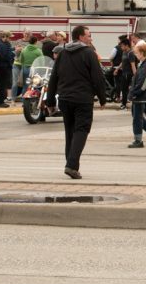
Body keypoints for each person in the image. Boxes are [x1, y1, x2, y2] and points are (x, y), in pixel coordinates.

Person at [46, 25, 108, 180]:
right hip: (82, 99)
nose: (90, 38)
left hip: (65, 99)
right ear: (80, 37)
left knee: (70, 132)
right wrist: (102, 98)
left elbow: (54, 77)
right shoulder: (89, 53)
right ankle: (72, 165)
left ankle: (70, 163)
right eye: (88, 35)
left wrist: (50, 100)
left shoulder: (63, 53)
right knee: (81, 130)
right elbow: (98, 77)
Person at [0, 31, 15, 108]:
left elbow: (6, 52)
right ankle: (0, 102)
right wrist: (13, 55)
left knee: (3, 85)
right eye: (9, 37)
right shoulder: (2, 45)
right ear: (5, 37)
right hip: (4, 67)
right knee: (2, 85)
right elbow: (5, 56)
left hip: (3, 66)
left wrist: (13, 49)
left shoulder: (3, 44)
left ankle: (0, 101)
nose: (10, 39)